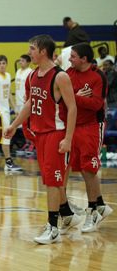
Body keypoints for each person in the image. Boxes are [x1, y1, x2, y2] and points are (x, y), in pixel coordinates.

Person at [4, 34, 77, 245]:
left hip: (57, 134)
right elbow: (29, 104)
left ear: (43, 51)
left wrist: (68, 138)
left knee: (53, 182)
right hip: (40, 135)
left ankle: (53, 226)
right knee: (49, 181)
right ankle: (68, 214)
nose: (29, 52)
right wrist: (14, 124)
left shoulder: (60, 76)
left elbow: (72, 108)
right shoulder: (33, 75)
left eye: (32, 48)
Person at [66, 42, 113, 232]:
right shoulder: (69, 73)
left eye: (73, 56)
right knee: (82, 168)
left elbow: (95, 104)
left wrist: (75, 97)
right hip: (74, 125)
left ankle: (93, 210)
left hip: (93, 125)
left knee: (89, 168)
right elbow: (61, 96)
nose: (70, 59)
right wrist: (75, 96)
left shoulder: (97, 76)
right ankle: (100, 205)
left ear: (84, 59)